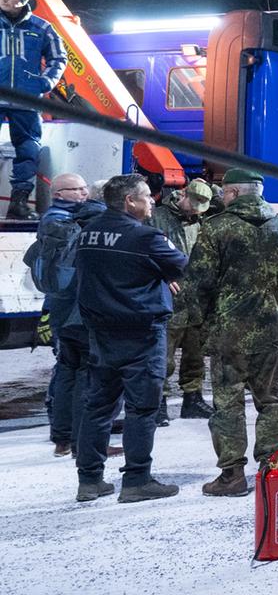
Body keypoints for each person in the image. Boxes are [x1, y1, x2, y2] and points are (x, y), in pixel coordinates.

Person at [184, 168, 278, 496]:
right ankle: (272, 468)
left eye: (224, 193)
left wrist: (201, 323)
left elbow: (198, 283)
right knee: (270, 399)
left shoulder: (216, 229)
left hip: (230, 333)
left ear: (234, 194)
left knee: (228, 402)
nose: (221, 198)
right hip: (273, 330)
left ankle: (232, 476)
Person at [74, 173, 187, 503]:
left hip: (100, 334)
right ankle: (137, 480)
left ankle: (89, 480)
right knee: (142, 409)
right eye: (147, 196)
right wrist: (162, 275)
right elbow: (181, 266)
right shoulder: (145, 237)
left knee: (98, 407)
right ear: (130, 202)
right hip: (142, 335)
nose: (153, 201)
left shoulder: (88, 233)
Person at [35, 173, 105, 457]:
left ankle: (63, 439)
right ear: (59, 193)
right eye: (77, 189)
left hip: (64, 308)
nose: (84, 193)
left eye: (85, 188)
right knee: (83, 374)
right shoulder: (58, 220)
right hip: (75, 310)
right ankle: (80, 441)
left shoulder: (59, 218)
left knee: (67, 371)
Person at [0, 0, 67, 219]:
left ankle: (18, 203)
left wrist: (45, 82)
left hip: (28, 100)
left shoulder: (42, 28)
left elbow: (59, 58)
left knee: (28, 149)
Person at [151, 178, 214, 421]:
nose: (196, 210)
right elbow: (147, 254)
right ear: (184, 195)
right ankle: (159, 403)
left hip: (195, 300)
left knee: (195, 355)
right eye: (194, 203)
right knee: (163, 356)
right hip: (170, 299)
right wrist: (164, 277)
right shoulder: (157, 217)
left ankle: (193, 399)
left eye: (202, 206)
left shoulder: (201, 222)